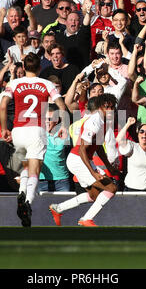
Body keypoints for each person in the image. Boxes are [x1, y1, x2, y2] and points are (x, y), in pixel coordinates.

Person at [0, 52, 68, 227]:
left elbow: (3, 105)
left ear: (23, 67)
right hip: (37, 130)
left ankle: (22, 193)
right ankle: (28, 201)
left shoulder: (14, 83)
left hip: (18, 130)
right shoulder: (45, 84)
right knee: (34, 171)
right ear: (39, 68)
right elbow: (61, 104)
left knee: (25, 166)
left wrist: (3, 128)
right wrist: (65, 126)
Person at [48, 93, 120, 227]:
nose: (110, 110)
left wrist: (108, 167)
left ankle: (58, 208)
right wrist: (93, 173)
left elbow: (98, 148)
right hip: (78, 159)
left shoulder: (104, 121)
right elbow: (82, 149)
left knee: (94, 195)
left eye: (112, 107)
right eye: (107, 107)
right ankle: (86, 219)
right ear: (99, 107)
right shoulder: (94, 122)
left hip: (82, 160)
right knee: (111, 188)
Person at [116, 117, 146, 191]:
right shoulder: (132, 146)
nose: (144, 134)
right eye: (141, 131)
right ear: (138, 134)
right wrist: (128, 124)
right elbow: (119, 139)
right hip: (131, 189)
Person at [38, 104, 71, 192]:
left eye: (50, 119)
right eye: (45, 119)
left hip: (62, 180)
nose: (47, 121)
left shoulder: (65, 134)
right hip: (42, 180)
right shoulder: (38, 134)